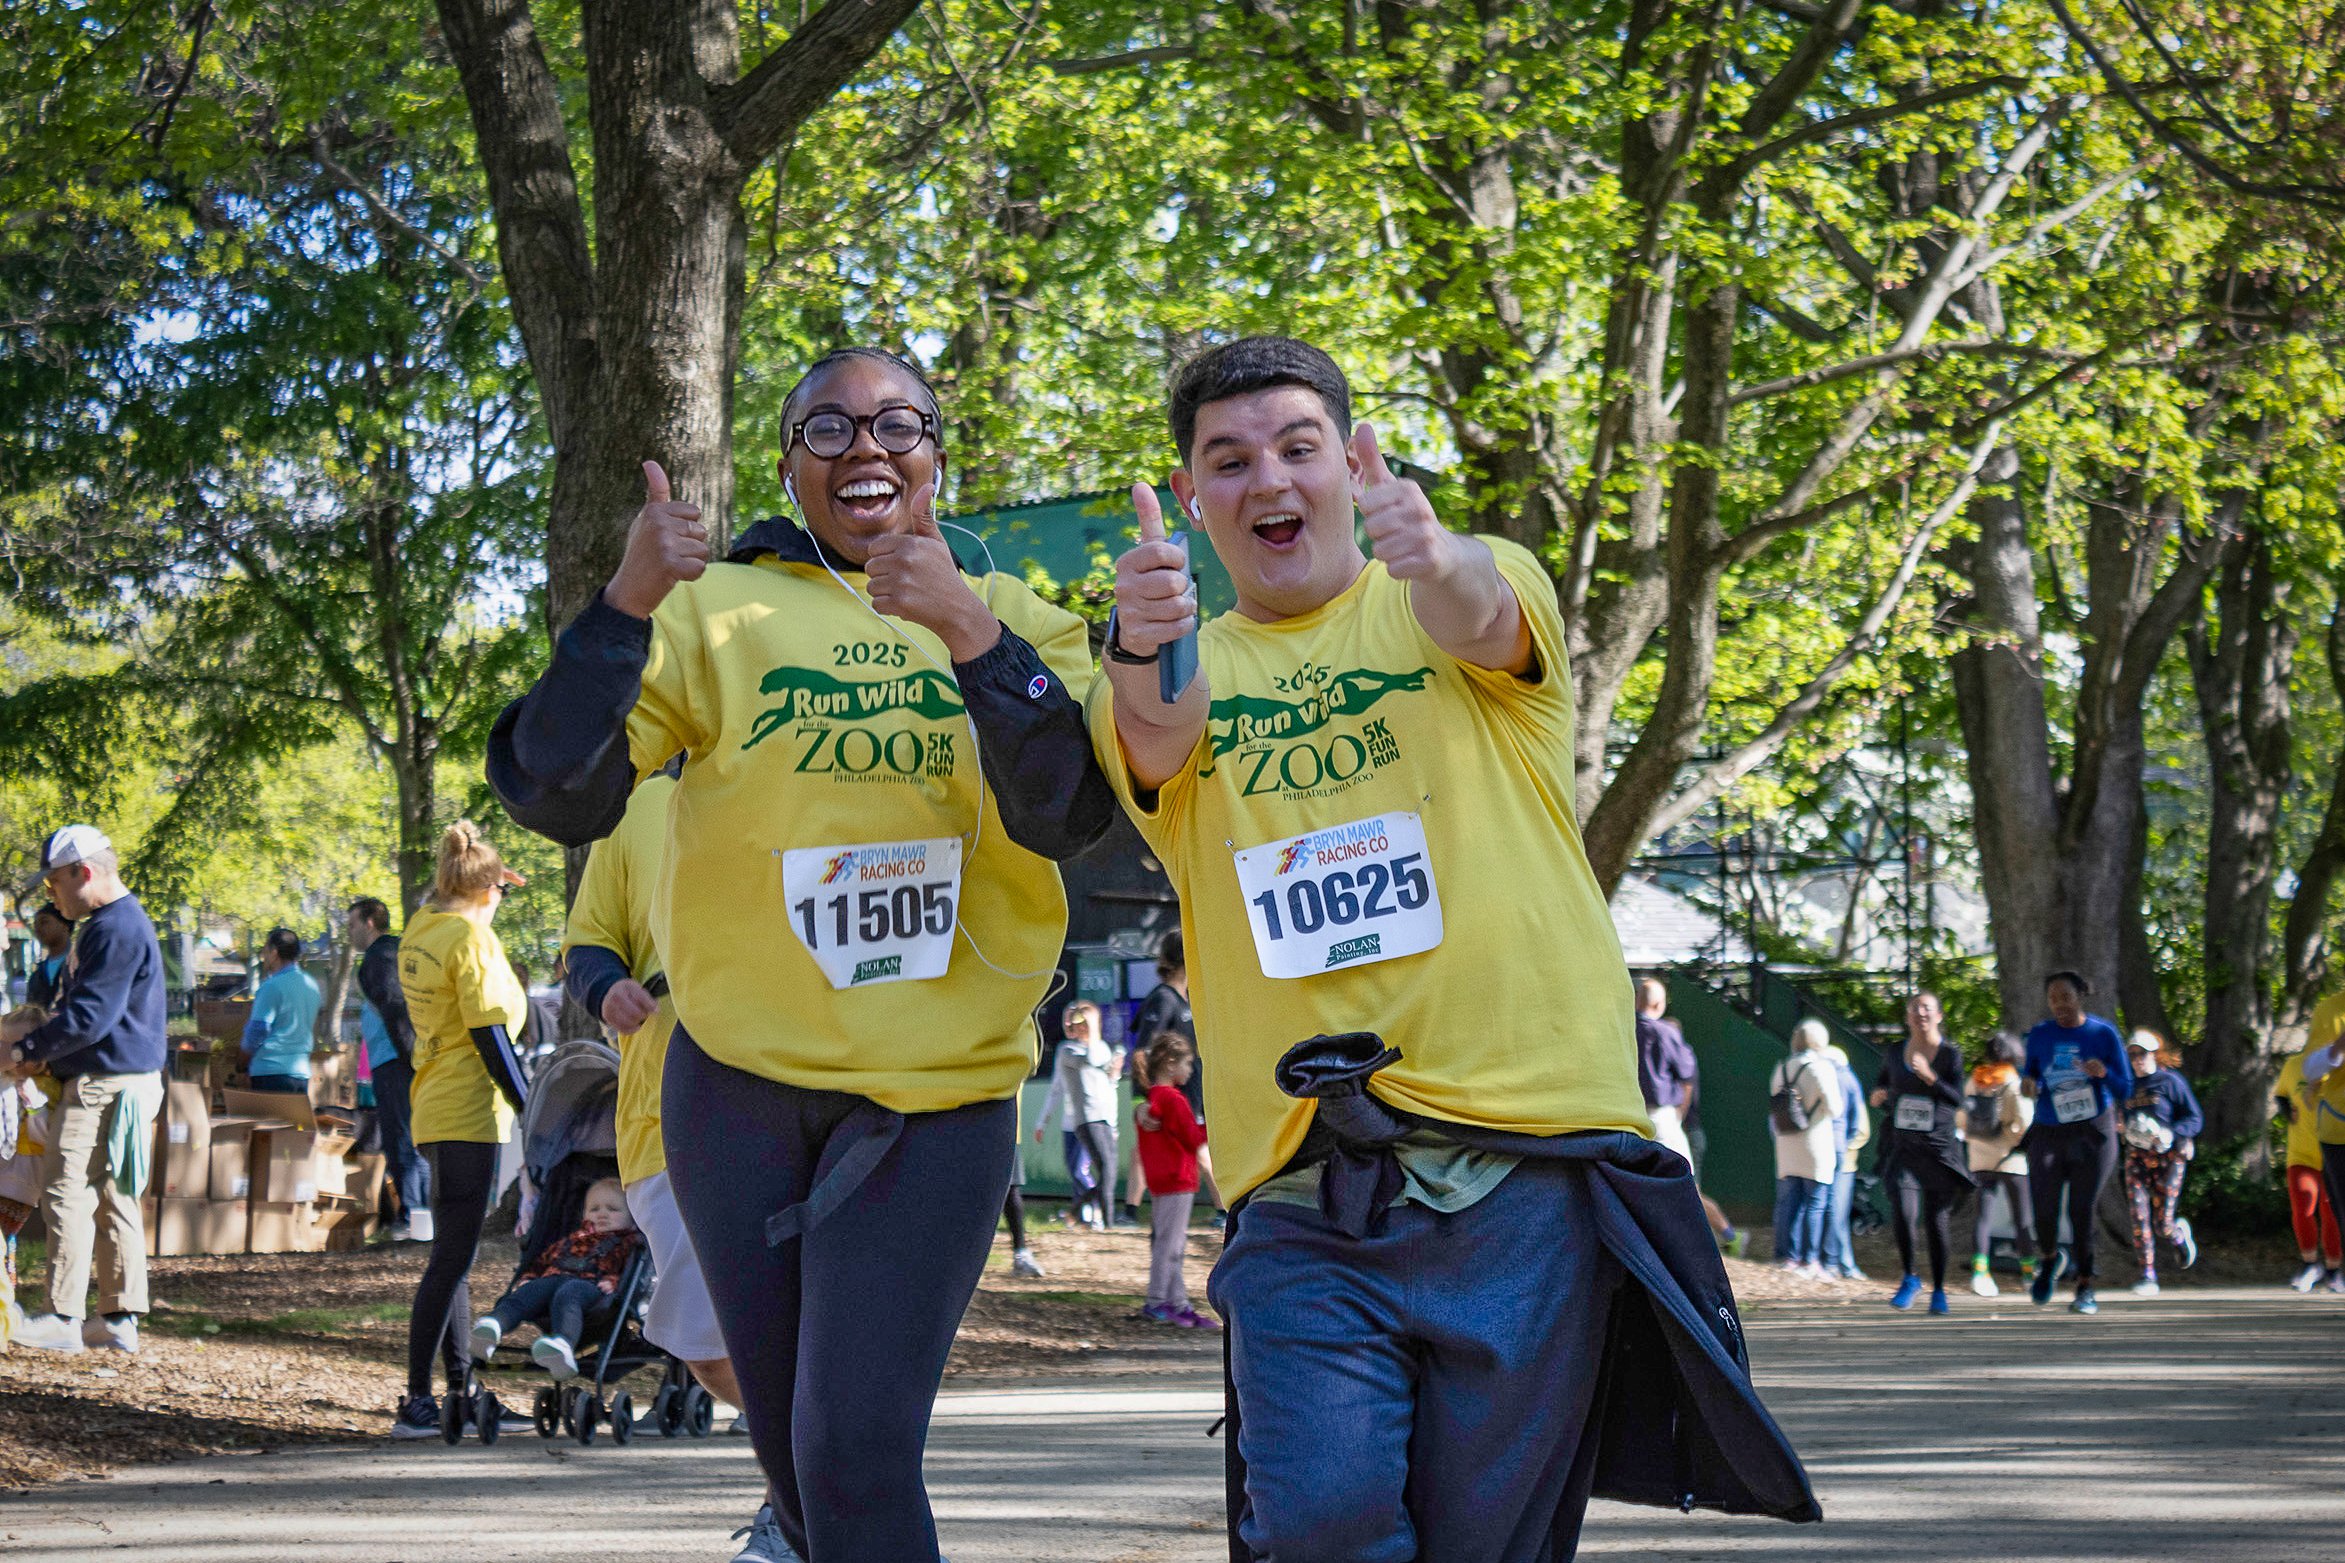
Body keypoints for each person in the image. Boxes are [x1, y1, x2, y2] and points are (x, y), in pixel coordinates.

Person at [1088, 336, 1814, 1557]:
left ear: (1347, 460)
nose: (1267, 477)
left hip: (1523, 1174)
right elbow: (1153, 739)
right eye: (1229, 460)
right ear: (1198, 499)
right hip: (1307, 1193)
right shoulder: (1176, 668)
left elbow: (1482, 610)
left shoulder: (1467, 591)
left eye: (1295, 447)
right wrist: (1139, 642)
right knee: (1318, 1520)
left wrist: (1437, 557)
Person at [487, 345, 1116, 1563]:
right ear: (788, 467)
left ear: (939, 451)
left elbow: (1066, 812)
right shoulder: (720, 609)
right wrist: (622, 609)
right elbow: (554, 788)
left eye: (896, 424)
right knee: (796, 1468)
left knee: (853, 1459)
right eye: (825, 430)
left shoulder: (1022, 614)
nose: (864, 448)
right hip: (737, 1093)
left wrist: (967, 630)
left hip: (937, 1101)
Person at [561, 766, 793, 1562]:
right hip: (663, 1105)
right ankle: (827, 1471)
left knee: (795, 1325)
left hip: (794, 1080)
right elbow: (587, 940)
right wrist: (605, 988)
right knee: (704, 1343)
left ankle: (797, 1512)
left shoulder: (800, 771)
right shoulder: (635, 809)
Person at [1, 826, 167, 1355]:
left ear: (84, 872)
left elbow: (90, 1017)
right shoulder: (113, 923)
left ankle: (63, 1316)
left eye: (54, 883)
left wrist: (27, 1051)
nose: (51, 894)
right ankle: (117, 1321)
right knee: (115, 1196)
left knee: (65, 1190)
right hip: (126, 1079)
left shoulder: (114, 928)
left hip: (103, 1082)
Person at [392, 821, 531, 1438]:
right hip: (469, 1111)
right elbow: (491, 1034)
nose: (503, 901)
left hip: (435, 1105)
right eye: (502, 890)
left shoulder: (423, 929)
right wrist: (532, 1107)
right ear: (486, 890)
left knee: (456, 1254)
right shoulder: (470, 941)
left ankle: (462, 1391)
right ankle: (418, 1399)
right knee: (451, 1256)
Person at [2021, 969, 2132, 1315]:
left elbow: (2125, 1087)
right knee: (2043, 1207)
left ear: (2080, 996)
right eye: (2053, 999)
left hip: (2092, 1132)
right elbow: (2031, 1074)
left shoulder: (2103, 1034)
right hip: (2049, 1131)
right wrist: (2028, 1084)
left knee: (2081, 1209)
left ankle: (2085, 1285)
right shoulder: (2039, 1035)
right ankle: (2051, 1258)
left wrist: (2104, 1074)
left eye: (2065, 997)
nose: (2059, 1005)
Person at [472, 1175, 644, 1379]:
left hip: (590, 1287)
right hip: (551, 1279)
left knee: (568, 1293)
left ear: (633, 1220)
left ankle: (562, 1344)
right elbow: (543, 1261)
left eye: (613, 1209)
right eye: (594, 1209)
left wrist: (614, 1282)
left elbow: (630, 1269)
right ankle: (492, 1327)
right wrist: (529, 1276)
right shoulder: (572, 1239)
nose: (602, 1214)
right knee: (528, 1292)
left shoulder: (627, 1242)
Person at [1870, 993, 1972, 1313]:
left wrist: (1931, 1078)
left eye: (1926, 1009)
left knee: (1936, 1221)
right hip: (1904, 1148)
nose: (1920, 1014)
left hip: (1939, 1150)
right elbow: (1884, 1088)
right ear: (1907, 1017)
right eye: (1914, 1009)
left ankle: (1939, 1289)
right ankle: (1910, 1277)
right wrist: (1879, 1096)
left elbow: (1958, 1098)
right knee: (1903, 1210)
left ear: (1939, 1016)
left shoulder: (1950, 1055)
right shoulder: (1894, 1052)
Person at [350, 898, 429, 1242]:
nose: (348, 932)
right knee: (414, 1137)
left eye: (352, 924)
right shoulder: (401, 951)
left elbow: (394, 1007)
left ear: (370, 923)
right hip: (405, 1057)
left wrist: (408, 1054)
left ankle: (412, 1216)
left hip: (395, 1060)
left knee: (402, 1139)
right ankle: (421, 1214)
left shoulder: (378, 959)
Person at [1134, 1032, 1213, 1328]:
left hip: (1161, 1181)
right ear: (1170, 1063)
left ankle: (1178, 1303)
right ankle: (1156, 1302)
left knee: (1171, 1242)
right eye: (1188, 1063)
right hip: (1177, 1180)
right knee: (1170, 1246)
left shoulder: (1153, 1099)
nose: (1190, 1070)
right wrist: (1214, 1128)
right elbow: (1193, 1139)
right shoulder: (1173, 1100)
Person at [1127, 929, 1206, 1221]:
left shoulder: (1185, 999)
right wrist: (1141, 1099)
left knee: (1194, 1149)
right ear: (1185, 956)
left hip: (1189, 1093)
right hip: (1169, 1096)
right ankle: (1129, 1212)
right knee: (1196, 1149)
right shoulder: (1162, 999)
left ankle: (1129, 1212)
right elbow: (1142, 1051)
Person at [2120, 1029, 2203, 1297]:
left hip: (2169, 1155)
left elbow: (2194, 1118)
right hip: (2137, 1157)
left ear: (2153, 1054)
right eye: (2132, 1055)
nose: (2137, 1060)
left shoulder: (2170, 1082)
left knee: (2162, 1222)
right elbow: (2121, 1118)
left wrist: (2175, 1134)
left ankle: (2177, 1234)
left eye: (2141, 1054)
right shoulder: (2128, 1086)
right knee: (2139, 1215)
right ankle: (2147, 1276)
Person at [1962, 1031, 2036, 1297]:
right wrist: (2016, 1141)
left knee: (1983, 1217)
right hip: (2011, 1158)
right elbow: (2025, 1122)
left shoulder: (1974, 1080)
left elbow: (1962, 1119)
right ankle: (2029, 1273)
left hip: (1980, 1158)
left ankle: (1980, 1273)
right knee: (2021, 1217)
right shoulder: (2014, 1081)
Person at [1035, 1000, 1119, 1230]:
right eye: (1070, 1018)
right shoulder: (1066, 1050)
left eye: (1079, 1018)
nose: (1072, 1023)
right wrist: (1043, 1120)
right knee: (1078, 1170)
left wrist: (1113, 1124)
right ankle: (1084, 1213)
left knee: (1095, 1171)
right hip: (1074, 1121)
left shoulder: (1099, 1047)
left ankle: (1094, 1215)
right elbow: (1056, 1089)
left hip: (1097, 1119)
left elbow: (1107, 1082)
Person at [1770, 1020, 1842, 1277]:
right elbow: (1835, 1108)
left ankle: (1787, 1256)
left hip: (1786, 1143)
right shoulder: (1821, 1068)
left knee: (1788, 1201)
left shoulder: (1781, 1067)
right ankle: (1810, 1260)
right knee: (1815, 1202)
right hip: (1815, 1143)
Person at [2273, 1038, 2342, 1291]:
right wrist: (2284, 1110)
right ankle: (2310, 1264)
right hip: (2302, 1152)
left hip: (2334, 1153)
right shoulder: (2294, 1065)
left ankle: (2334, 1270)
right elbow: (2281, 1093)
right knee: (2303, 1203)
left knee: (2331, 1211)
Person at [239, 927, 321, 1095]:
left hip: (270, 1073)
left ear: (274, 952)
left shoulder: (271, 986)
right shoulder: (311, 985)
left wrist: (242, 1062)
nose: (263, 956)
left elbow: (258, 1030)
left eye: (265, 950)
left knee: (270, 1122)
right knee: (293, 1122)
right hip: (300, 1072)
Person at [1820, 1038, 1870, 1281]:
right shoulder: (1836, 1083)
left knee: (1837, 1213)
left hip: (1843, 1162)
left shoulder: (1845, 1082)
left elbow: (1861, 1130)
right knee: (1831, 1212)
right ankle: (1838, 1263)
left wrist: (1845, 1150)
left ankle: (1842, 1264)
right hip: (1827, 1158)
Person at [1636, 978, 1699, 1165]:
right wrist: (1680, 1113)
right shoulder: (1664, 1032)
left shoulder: (1621, 1030)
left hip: (1625, 1115)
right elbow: (1687, 1075)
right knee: (1679, 1170)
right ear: (1658, 1003)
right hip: (1659, 1116)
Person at [24, 904, 70, 1010]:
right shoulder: (37, 975)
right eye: (35, 924)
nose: (38, 928)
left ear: (64, 925)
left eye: (44, 922)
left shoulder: (80, 965)